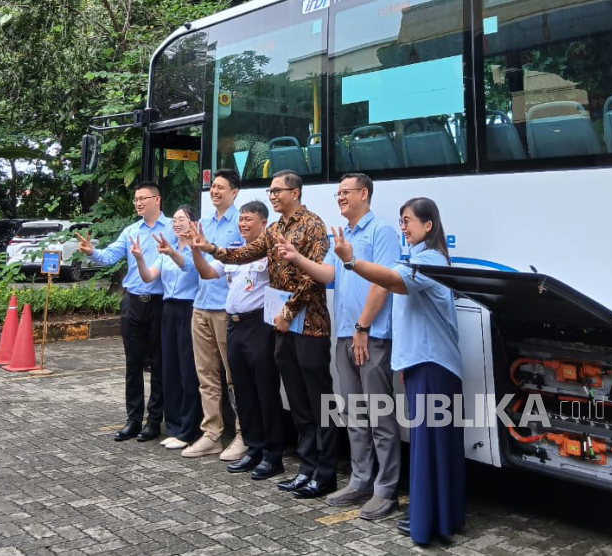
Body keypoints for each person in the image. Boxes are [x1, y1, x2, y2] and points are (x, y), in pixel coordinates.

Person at [190, 169, 337, 499]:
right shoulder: (275, 229)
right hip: (283, 326)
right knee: (297, 402)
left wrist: (287, 311)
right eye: (270, 191)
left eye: (277, 190)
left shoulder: (312, 225)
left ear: (295, 193)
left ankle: (326, 473)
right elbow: (244, 254)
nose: (272, 195)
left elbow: (314, 276)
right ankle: (307, 467)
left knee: (319, 400)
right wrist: (210, 248)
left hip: (309, 324)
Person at [331, 197, 464, 545]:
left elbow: (390, 280)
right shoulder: (423, 258)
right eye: (401, 221)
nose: (403, 228)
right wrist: (405, 364)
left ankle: (430, 520)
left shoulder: (428, 261)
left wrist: (352, 261)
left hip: (435, 367)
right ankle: (437, 516)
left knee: (430, 445)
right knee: (431, 444)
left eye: (408, 221)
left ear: (428, 226)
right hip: (424, 364)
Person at [276, 173, 401, 520]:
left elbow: (384, 284)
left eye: (346, 192)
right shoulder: (340, 236)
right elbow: (329, 275)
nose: (340, 197)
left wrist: (363, 327)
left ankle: (386, 490)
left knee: (379, 417)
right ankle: (360, 480)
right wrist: (297, 257)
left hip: (371, 335)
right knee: (354, 415)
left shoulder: (382, 232)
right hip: (345, 334)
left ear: (364, 193)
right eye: (338, 193)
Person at [190, 200, 284, 480]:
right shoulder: (234, 253)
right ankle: (253, 448)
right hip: (234, 325)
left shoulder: (270, 254)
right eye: (241, 219)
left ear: (263, 223)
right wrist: (196, 251)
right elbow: (208, 273)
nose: (243, 224)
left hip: (259, 324)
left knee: (265, 391)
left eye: (249, 220)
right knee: (242, 389)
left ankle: (272, 454)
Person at [76, 182, 175, 443]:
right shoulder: (131, 231)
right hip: (132, 302)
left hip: (160, 302)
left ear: (157, 199)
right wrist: (92, 252)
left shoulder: (172, 230)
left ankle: (154, 421)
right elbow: (109, 256)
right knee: (133, 365)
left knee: (159, 364)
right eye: (135, 199)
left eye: (143, 198)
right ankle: (133, 419)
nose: (138, 203)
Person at [183, 169, 246, 461]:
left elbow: (234, 262)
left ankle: (243, 433)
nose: (215, 191)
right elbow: (197, 265)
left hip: (225, 308)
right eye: (213, 187)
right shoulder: (203, 223)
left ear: (234, 192)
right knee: (206, 375)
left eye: (221, 187)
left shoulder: (240, 223)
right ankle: (211, 434)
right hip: (201, 304)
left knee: (234, 375)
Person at [130, 205, 202, 450]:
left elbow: (188, 267)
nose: (177, 224)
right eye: (175, 220)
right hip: (168, 308)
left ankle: (189, 429)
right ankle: (173, 426)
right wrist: (139, 257)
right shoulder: (166, 249)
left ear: (193, 222)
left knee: (188, 369)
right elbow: (149, 276)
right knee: (169, 367)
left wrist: (171, 252)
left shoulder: (196, 248)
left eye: (182, 219)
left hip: (189, 308)